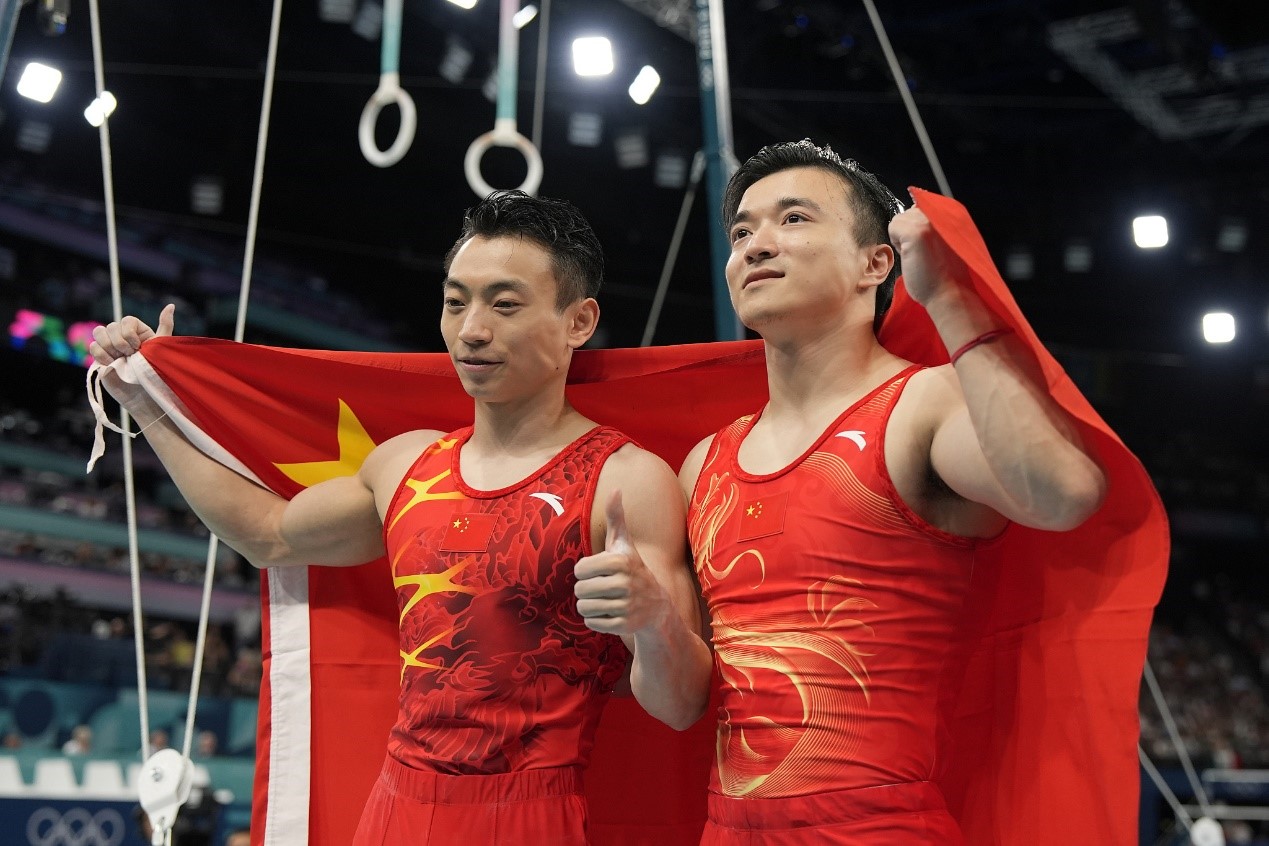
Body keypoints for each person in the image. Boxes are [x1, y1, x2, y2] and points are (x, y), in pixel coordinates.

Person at [89, 190, 711, 845]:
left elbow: (679, 706)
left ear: (577, 322)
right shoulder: (405, 468)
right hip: (392, 812)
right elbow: (267, 535)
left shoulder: (624, 480)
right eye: (454, 301)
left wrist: (653, 620)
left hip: (529, 817)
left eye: (504, 304)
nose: (472, 328)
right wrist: (143, 401)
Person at [679, 140, 1109, 845]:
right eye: (741, 231)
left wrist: (950, 304)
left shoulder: (920, 407)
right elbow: (680, 693)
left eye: (792, 219)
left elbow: (1063, 497)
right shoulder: (704, 463)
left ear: (874, 264)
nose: (756, 244)